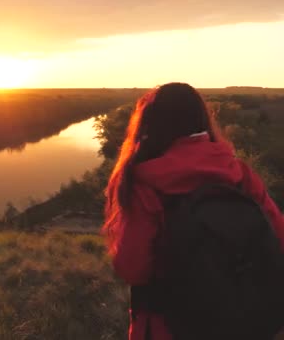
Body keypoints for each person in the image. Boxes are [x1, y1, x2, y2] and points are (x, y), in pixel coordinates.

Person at [103, 82, 284, 340]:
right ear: (202, 119)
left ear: (149, 124)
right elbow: (279, 238)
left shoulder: (145, 184)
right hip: (248, 323)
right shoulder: (239, 174)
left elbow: (133, 269)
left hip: (171, 328)